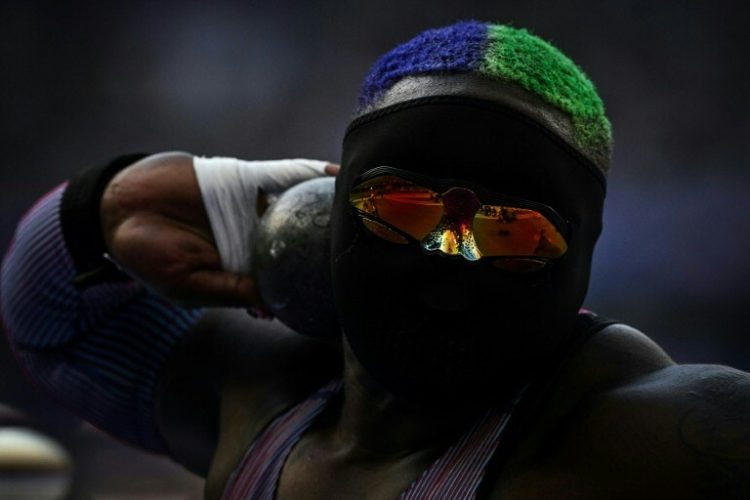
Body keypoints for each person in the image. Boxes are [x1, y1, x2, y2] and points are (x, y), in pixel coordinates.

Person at [2, 20, 749, 499]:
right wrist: (115, 204)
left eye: (510, 232)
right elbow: (45, 307)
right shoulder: (268, 396)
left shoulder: (646, 437)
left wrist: (115, 208)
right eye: (406, 210)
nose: (450, 263)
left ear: (582, 250)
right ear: (328, 206)